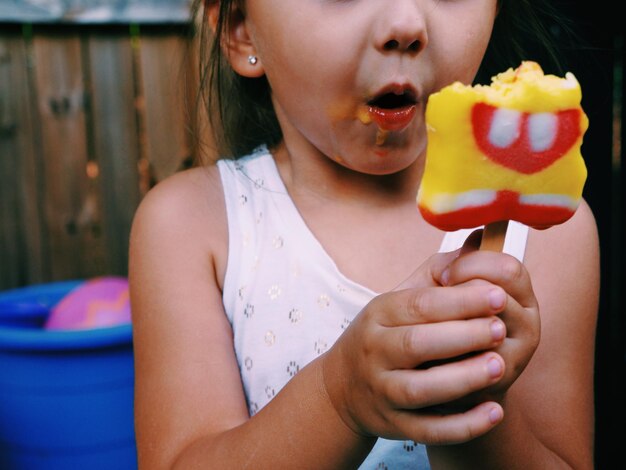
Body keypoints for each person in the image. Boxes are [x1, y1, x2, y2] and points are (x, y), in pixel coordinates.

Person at [129, 0, 600, 468]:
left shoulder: (550, 235)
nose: (406, 24)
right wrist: (338, 399)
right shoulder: (192, 227)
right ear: (241, 30)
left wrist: (473, 402)